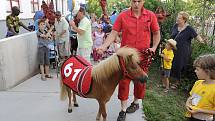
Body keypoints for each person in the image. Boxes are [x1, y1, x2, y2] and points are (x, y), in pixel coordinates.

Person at [97, 0, 160, 120]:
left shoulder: (150, 16)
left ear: (143, 1)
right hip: (126, 57)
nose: (136, 4)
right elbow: (113, 33)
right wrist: (103, 46)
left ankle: (136, 102)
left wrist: (154, 47)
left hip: (143, 55)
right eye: (134, 1)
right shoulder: (123, 16)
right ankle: (123, 110)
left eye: (139, 1)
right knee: (124, 83)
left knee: (140, 81)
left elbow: (156, 33)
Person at [170, 11, 205, 89]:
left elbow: (196, 36)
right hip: (173, 48)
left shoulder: (189, 28)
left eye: (179, 18)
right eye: (177, 17)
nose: (177, 19)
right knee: (171, 62)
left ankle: (177, 82)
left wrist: (202, 41)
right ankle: (169, 77)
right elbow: (172, 35)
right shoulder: (175, 26)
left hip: (183, 50)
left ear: (184, 20)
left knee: (179, 65)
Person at [185, 54, 215, 121]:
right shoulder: (198, 83)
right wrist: (187, 103)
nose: (195, 71)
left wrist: (199, 110)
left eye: (197, 69)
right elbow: (191, 96)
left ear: (208, 71)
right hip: (191, 116)